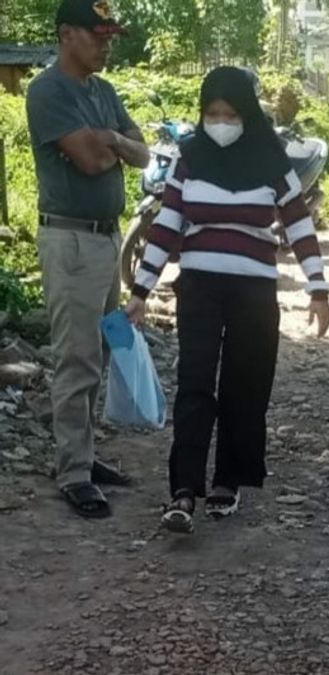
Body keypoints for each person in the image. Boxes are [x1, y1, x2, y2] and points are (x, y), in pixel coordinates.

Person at [122, 67, 329, 534]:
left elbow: (299, 225)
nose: (220, 122)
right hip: (198, 287)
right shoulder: (188, 158)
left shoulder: (272, 160)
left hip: (255, 291)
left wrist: (318, 288)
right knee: (195, 384)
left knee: (244, 386)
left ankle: (228, 480)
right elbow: (167, 224)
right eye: (212, 113)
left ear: (248, 115)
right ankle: (182, 491)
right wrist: (141, 289)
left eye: (230, 114)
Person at [25, 0, 150, 519]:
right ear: (66, 35)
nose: (106, 44)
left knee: (99, 348)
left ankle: (84, 454)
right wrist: (111, 148)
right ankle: (74, 471)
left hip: (104, 238)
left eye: (109, 35)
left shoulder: (103, 92)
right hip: (71, 240)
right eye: (97, 35)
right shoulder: (48, 91)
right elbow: (90, 160)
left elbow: (139, 153)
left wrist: (114, 140)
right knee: (75, 357)